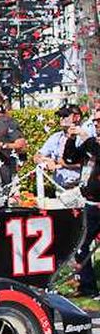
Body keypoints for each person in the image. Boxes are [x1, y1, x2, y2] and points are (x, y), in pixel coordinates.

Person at [62, 109, 100, 299]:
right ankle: (88, 287)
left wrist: (87, 139)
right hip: (91, 204)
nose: (97, 125)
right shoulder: (91, 143)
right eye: (96, 121)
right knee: (80, 245)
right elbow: (69, 159)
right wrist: (70, 139)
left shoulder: (93, 144)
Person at [35, 104, 84, 203]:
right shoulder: (56, 137)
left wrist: (61, 163)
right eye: (60, 116)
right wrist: (46, 161)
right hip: (60, 189)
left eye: (65, 116)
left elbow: (88, 163)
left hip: (80, 189)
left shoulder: (85, 136)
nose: (61, 118)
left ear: (77, 117)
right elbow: (37, 156)